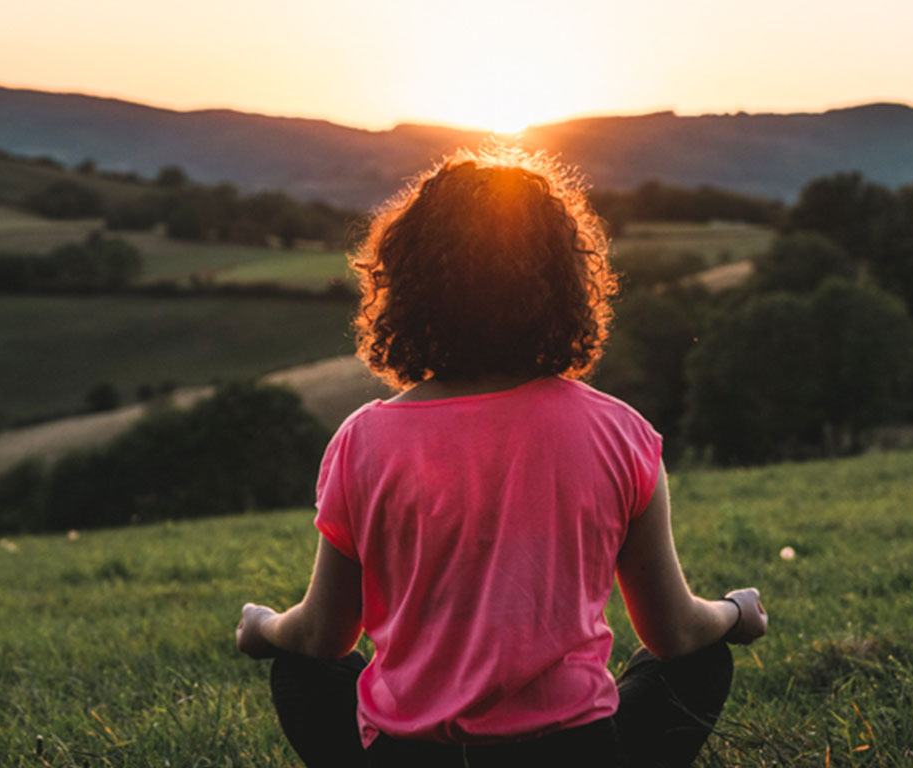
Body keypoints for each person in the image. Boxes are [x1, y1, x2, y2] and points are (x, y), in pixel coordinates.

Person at [236, 147, 768, 767]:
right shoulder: (620, 433)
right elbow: (675, 634)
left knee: (300, 671)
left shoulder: (362, 440)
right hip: (575, 755)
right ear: (565, 286)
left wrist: (263, 626)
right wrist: (735, 612)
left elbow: (322, 638)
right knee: (698, 660)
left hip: (408, 758)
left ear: (407, 286)